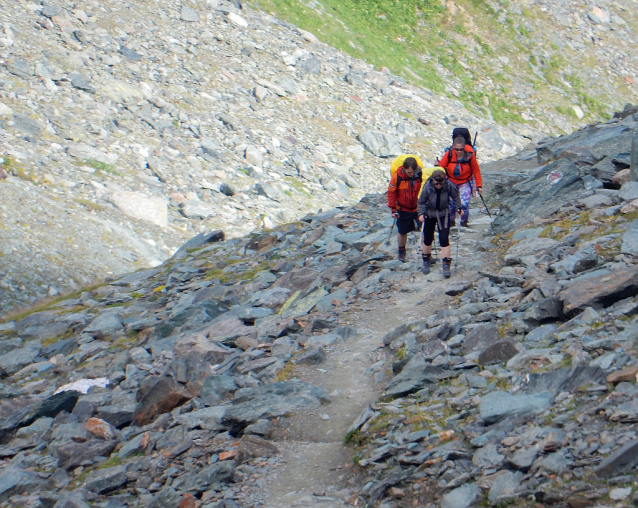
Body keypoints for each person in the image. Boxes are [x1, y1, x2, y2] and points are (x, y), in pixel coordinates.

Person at [417, 169, 462, 277]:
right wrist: (421, 214)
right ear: (433, 180)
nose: (439, 185)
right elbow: (421, 202)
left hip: (444, 214)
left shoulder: (448, 185)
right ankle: (426, 260)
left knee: (444, 238)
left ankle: (446, 264)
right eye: (437, 183)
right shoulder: (427, 187)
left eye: (441, 183)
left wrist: (458, 207)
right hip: (430, 214)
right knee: (427, 238)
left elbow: (456, 197)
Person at [438, 135, 483, 227]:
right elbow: (441, 167)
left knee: (464, 203)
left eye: (461, 149)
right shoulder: (449, 154)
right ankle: (451, 221)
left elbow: (476, 171)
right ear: (453, 147)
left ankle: (463, 222)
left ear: (464, 148)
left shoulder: (470, 156)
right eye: (457, 149)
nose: (459, 151)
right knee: (450, 203)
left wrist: (479, 185)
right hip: (450, 181)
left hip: (465, 182)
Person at [387, 157, 425, 262]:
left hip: (417, 207)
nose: (411, 174)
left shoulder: (420, 174)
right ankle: (401, 252)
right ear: (404, 168)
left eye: (413, 172)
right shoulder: (396, 177)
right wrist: (393, 209)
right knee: (402, 231)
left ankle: (426, 253)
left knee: (425, 229)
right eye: (409, 172)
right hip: (403, 208)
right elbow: (391, 193)